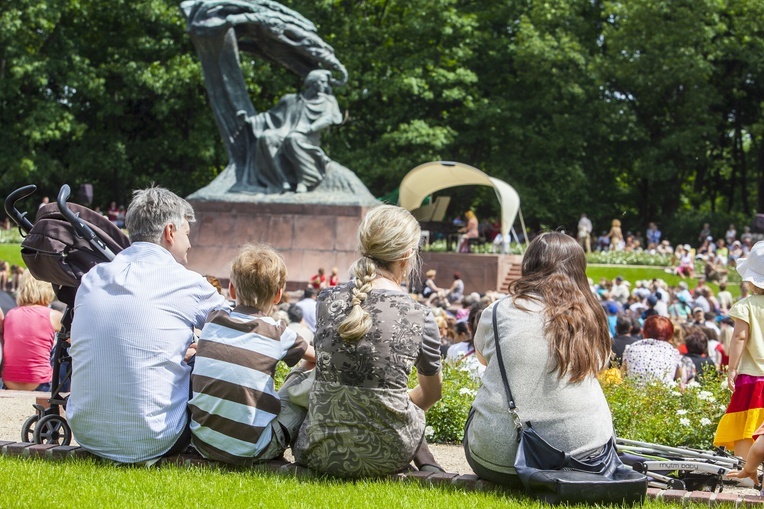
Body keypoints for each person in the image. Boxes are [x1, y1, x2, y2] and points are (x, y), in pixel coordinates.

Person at [67, 186, 227, 464]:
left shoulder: (92, 278)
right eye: (187, 233)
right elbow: (239, 327)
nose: (189, 244)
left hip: (86, 432)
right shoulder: (184, 281)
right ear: (169, 232)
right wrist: (203, 346)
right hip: (156, 436)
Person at [293, 204, 443, 477]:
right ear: (408, 254)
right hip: (387, 453)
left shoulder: (326, 300)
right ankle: (429, 464)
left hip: (320, 447)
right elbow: (432, 394)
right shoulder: (419, 315)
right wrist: (388, 402)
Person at [463, 232, 614, 488]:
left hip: (499, 458)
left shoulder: (498, 311)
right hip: (585, 456)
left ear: (528, 265)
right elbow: (599, 367)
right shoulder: (591, 314)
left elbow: (484, 359)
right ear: (578, 269)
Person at [189, 244, 315, 465]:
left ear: (232, 290)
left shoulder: (213, 320)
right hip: (252, 450)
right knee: (304, 376)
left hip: (202, 442)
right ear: (278, 296)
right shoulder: (277, 333)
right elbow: (317, 358)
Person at [240, 69, 342, 193]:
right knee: (266, 137)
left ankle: (304, 181)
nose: (325, 86)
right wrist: (249, 120)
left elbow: (329, 118)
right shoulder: (290, 100)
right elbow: (270, 116)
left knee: (293, 139)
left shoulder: (328, 101)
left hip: (308, 137)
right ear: (313, 83)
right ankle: (281, 180)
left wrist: (310, 128)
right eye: (323, 82)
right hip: (285, 131)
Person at [714, 241, 764, 458]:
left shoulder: (746, 306)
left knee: (746, 424)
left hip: (752, 376)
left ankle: (746, 469)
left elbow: (739, 337)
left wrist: (731, 367)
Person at [1, 270, 63, 391]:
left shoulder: (10, 315)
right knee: (63, 347)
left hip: (8, 382)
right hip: (40, 382)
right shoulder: (53, 316)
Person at [621, 316, 681, 385]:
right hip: (664, 394)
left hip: (634, 395)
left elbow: (622, 377)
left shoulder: (631, 349)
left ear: (644, 331)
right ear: (669, 334)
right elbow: (680, 381)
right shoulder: (673, 352)